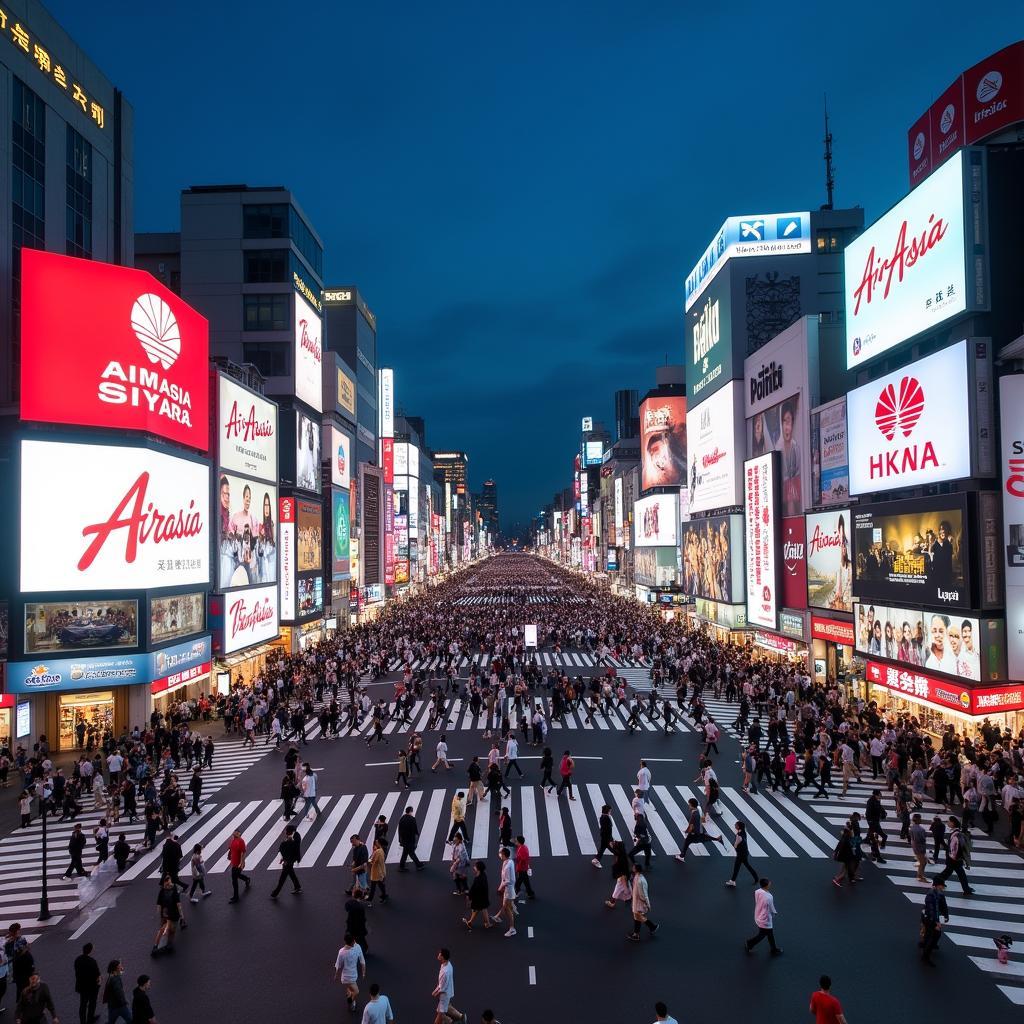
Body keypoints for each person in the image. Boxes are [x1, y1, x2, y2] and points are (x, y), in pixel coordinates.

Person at [933, 816, 974, 894]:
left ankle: (937, 881)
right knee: (957, 874)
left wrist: (954, 857)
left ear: (953, 823)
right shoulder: (956, 833)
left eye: (949, 821)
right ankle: (966, 889)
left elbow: (954, 848)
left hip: (953, 859)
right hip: (954, 859)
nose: (947, 823)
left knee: (951, 873)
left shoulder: (955, 834)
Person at [744, 878, 782, 956]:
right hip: (765, 919)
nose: (770, 883)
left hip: (758, 915)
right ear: (766, 886)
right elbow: (771, 908)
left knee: (769, 934)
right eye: (769, 883)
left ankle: (773, 949)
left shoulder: (757, 891)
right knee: (763, 935)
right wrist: (775, 912)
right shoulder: (769, 897)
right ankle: (750, 943)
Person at [334, 934, 366, 1013]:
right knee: (356, 991)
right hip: (350, 977)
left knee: (351, 988)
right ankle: (351, 1002)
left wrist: (336, 975)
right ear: (352, 942)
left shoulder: (341, 951)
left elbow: (338, 965)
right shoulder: (357, 947)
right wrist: (363, 972)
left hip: (346, 976)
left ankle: (349, 994)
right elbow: (362, 961)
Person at [152, 876, 184, 956]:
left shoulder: (165, 890)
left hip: (169, 914)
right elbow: (178, 905)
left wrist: (160, 916)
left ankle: (159, 946)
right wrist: (182, 917)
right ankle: (166, 945)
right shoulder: (171, 890)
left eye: (168, 884)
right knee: (167, 930)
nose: (167, 886)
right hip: (170, 914)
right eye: (166, 884)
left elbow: (159, 905)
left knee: (167, 930)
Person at [920, 878, 949, 965]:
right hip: (928, 918)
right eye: (941, 886)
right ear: (937, 885)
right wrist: (936, 922)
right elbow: (932, 910)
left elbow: (943, 905)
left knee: (931, 934)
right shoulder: (931, 895)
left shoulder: (939, 894)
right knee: (934, 935)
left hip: (931, 917)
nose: (943, 888)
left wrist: (946, 915)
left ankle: (925, 945)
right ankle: (925, 956)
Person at [627, 863, 659, 942]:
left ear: (636, 869)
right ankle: (639, 932)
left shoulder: (640, 881)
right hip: (636, 901)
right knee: (637, 917)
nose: (632, 868)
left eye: (633, 867)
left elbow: (643, 895)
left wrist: (647, 904)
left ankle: (639, 933)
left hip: (639, 902)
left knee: (637, 916)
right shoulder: (637, 877)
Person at [432, 948, 464, 1024]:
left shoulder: (445, 972)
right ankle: (461, 1016)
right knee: (447, 1006)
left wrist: (434, 993)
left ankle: (452, 1022)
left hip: (444, 995)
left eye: (440, 954)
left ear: (442, 957)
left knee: (440, 1014)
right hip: (449, 992)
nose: (438, 954)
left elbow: (442, 987)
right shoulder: (448, 964)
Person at [270, 825, 303, 899]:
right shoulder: (291, 836)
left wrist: (290, 859)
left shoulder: (295, 837)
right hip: (288, 859)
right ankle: (297, 887)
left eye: (286, 830)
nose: (285, 831)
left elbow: (294, 849)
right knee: (291, 873)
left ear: (290, 831)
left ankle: (276, 892)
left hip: (289, 860)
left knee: (283, 877)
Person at [73, 942, 100, 1024]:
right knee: (92, 1003)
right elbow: (97, 974)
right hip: (92, 987)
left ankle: (83, 1021)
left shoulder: (77, 959)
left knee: (83, 1004)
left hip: (81, 986)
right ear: (90, 951)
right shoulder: (92, 961)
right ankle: (90, 1019)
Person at [726, 821, 758, 887]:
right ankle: (756, 878)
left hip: (741, 854)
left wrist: (733, 845)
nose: (735, 825)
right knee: (744, 866)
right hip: (745, 852)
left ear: (738, 826)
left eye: (736, 825)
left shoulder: (739, 835)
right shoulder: (744, 832)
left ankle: (732, 881)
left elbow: (736, 845)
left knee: (737, 867)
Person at [463, 861, 492, 930]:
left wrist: (469, 896)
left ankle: (472, 922)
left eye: (475, 867)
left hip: (479, 897)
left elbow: (474, 889)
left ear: (478, 869)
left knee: (479, 909)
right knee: (481, 908)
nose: (474, 868)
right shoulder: (483, 875)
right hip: (482, 896)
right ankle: (486, 923)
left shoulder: (478, 879)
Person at [497, 847, 517, 937]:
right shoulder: (508, 862)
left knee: (507, 909)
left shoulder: (508, 865)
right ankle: (497, 917)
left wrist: (500, 888)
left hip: (508, 890)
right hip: (507, 889)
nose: (500, 855)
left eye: (501, 853)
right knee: (505, 906)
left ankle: (512, 929)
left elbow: (508, 880)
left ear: (504, 855)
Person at [227, 829, 251, 903]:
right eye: (234, 831)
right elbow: (230, 848)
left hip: (238, 863)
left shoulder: (241, 841)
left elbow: (243, 852)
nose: (234, 833)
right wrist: (229, 855)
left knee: (234, 880)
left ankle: (236, 897)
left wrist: (242, 863)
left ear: (239, 834)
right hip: (233, 862)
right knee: (237, 876)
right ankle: (246, 879)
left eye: (237, 832)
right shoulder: (232, 840)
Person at [397, 806, 424, 871]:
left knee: (405, 853)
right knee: (411, 853)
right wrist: (417, 835)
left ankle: (402, 866)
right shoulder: (412, 819)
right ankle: (418, 865)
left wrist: (400, 840)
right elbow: (414, 829)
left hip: (404, 839)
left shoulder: (402, 818)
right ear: (411, 811)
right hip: (410, 839)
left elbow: (399, 830)